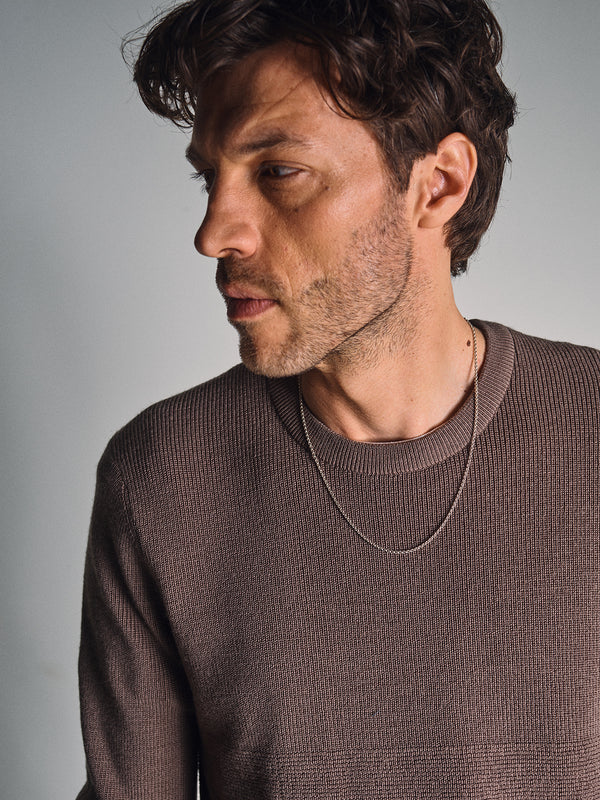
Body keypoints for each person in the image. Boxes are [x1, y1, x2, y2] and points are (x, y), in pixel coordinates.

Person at [76, 0, 600, 797]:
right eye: (211, 177)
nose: (215, 232)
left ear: (437, 186)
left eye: (279, 172)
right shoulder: (163, 476)